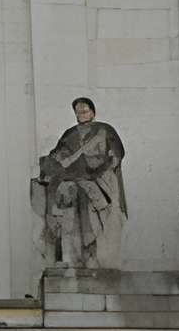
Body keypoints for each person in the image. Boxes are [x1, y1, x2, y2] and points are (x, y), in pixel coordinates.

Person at [33, 96, 126, 270]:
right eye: (78, 112)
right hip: (73, 177)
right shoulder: (70, 133)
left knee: (89, 199)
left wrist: (98, 165)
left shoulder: (104, 130)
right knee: (62, 193)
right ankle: (65, 251)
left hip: (99, 177)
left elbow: (116, 155)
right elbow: (57, 154)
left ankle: (94, 254)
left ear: (93, 112)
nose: (81, 114)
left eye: (85, 111)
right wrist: (56, 161)